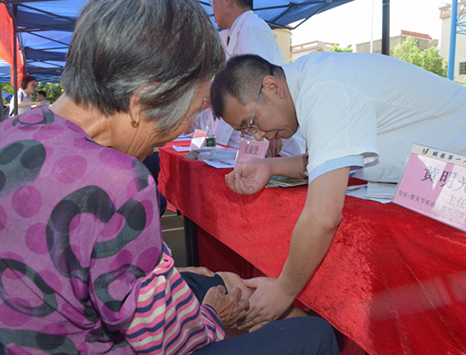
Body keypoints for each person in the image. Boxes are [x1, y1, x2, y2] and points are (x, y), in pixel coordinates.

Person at [0, 1, 340, 354]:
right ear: (145, 99)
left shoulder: (10, 134)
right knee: (314, 334)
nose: (184, 127)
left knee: (210, 279)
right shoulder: (118, 181)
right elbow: (160, 339)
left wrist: (165, 274)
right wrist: (211, 316)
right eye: (192, 111)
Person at [209, 52, 466, 331]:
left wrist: (283, 290)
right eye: (245, 132)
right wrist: (271, 167)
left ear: (272, 88)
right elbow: (322, 161)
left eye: (250, 123)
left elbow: (323, 216)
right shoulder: (308, 84)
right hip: (430, 176)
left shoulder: (326, 91)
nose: (258, 136)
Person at [209, 0, 305, 157]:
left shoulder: (251, 28)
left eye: (213, 1)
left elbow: (264, 83)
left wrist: (272, 135)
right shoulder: (231, 33)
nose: (211, 5)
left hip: (270, 141)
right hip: (249, 140)